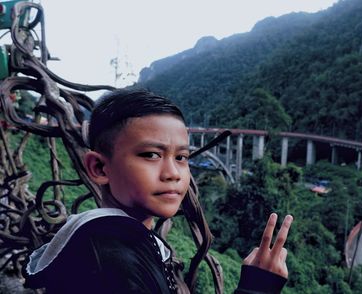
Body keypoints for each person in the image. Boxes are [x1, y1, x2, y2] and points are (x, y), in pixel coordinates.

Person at [23, 88, 293, 293]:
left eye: (181, 157)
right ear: (99, 168)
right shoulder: (114, 265)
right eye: (151, 155)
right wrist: (257, 288)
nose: (173, 173)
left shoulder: (112, 239)